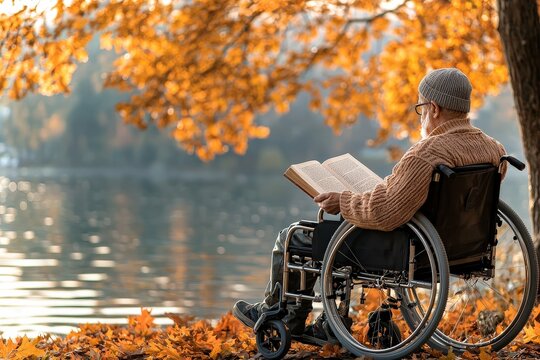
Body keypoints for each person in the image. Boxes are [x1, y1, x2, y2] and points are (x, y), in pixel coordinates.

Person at [232, 68, 507, 342]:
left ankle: (281, 314)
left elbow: (387, 213)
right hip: (459, 247)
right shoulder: (493, 149)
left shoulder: (428, 153)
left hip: (403, 247)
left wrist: (343, 201)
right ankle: (330, 321)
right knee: (341, 232)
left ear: (433, 108)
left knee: (293, 237)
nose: (420, 116)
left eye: (420, 107)